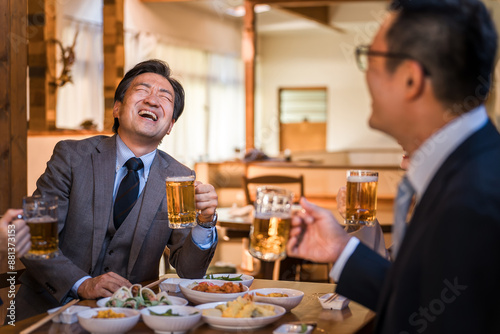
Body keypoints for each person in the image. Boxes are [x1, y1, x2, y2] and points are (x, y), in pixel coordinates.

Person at [287, 0, 500, 333]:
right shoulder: (463, 168)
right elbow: (422, 301)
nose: (366, 73)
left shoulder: (473, 200)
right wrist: (343, 250)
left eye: (371, 58)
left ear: (411, 79)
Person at [15, 59, 219, 320]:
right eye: (142, 90)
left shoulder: (180, 177)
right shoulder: (71, 156)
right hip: (49, 312)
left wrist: (205, 222)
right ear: (117, 108)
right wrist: (83, 284)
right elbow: (34, 238)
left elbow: (190, 271)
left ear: (170, 126)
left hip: (129, 319)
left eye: (164, 96)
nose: (153, 100)